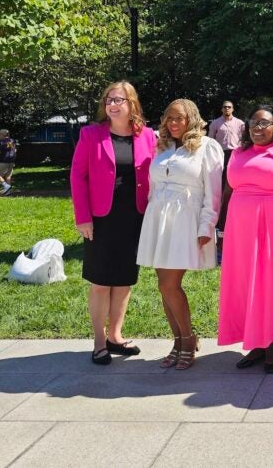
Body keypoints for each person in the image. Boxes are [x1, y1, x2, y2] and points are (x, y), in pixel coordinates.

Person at [218, 104, 273, 373]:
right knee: (246, 284)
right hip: (241, 232)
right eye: (254, 123)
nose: (258, 128)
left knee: (270, 285)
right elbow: (227, 193)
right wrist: (221, 231)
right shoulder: (237, 154)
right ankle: (255, 342)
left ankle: (271, 344)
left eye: (264, 123)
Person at [70, 81, 156, 365]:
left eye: (119, 99)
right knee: (100, 281)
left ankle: (115, 336)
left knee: (124, 281)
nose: (112, 104)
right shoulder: (90, 134)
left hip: (134, 217)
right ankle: (98, 340)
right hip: (100, 219)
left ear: (132, 103)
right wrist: (82, 217)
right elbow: (77, 177)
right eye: (109, 99)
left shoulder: (147, 136)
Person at [137, 99, 224, 371]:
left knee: (169, 285)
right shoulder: (161, 147)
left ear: (192, 119)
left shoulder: (207, 147)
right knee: (163, 284)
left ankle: (188, 340)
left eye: (179, 119)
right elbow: (152, 186)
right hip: (159, 220)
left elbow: (214, 194)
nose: (173, 124)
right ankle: (177, 341)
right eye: (169, 119)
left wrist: (206, 227)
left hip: (187, 220)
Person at [207, 100, 245, 168]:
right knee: (221, 174)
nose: (227, 108)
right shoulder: (215, 123)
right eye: (225, 107)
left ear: (232, 109)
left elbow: (245, 137)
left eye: (229, 107)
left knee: (234, 172)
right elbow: (210, 140)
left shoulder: (240, 123)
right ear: (222, 109)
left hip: (235, 152)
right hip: (220, 152)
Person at [0, 129, 17, 195]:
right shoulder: (12, 140)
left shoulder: (2, 142)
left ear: (3, 135)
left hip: (3, 161)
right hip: (11, 161)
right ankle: (8, 192)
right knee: (8, 176)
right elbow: (15, 150)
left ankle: (6, 186)